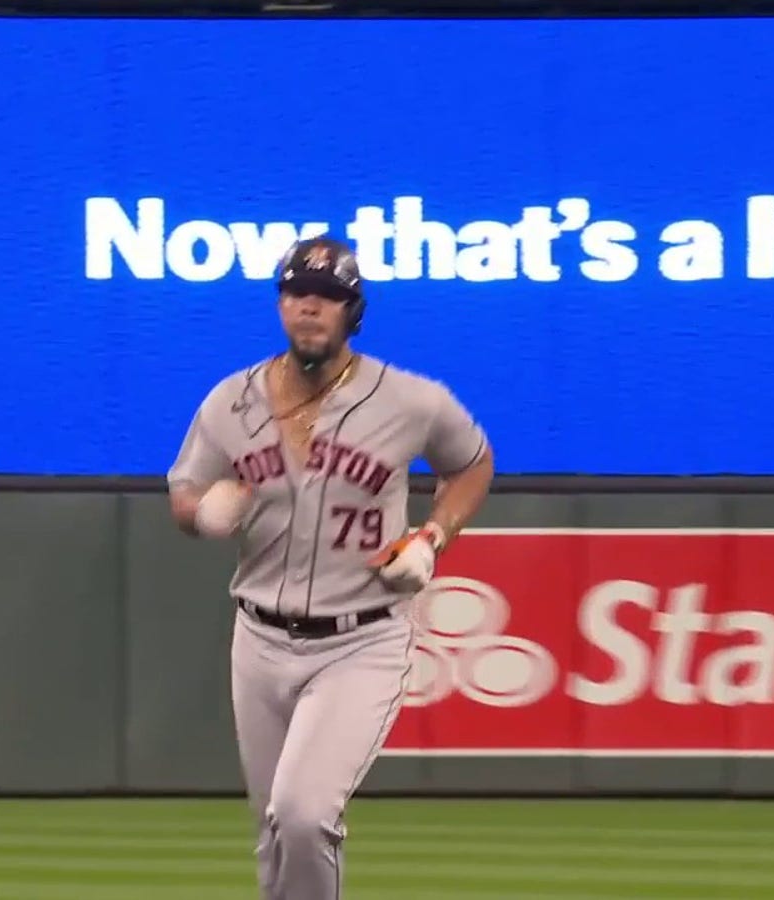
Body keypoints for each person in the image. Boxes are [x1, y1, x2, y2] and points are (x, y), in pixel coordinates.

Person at [166, 235, 494, 900]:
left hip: (361, 639)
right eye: (296, 295)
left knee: (305, 814)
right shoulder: (232, 401)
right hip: (258, 637)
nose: (309, 309)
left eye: (327, 297)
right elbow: (185, 490)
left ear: (354, 311)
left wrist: (433, 535)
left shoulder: (410, 400)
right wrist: (202, 514)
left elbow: (472, 463)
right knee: (273, 829)